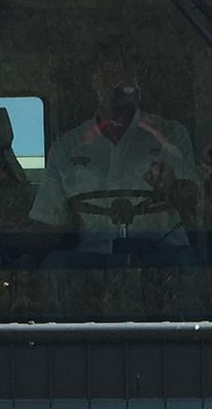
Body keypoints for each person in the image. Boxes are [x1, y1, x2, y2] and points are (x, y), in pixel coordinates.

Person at [31, 45, 199, 254]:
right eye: (108, 74)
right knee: (55, 265)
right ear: (93, 80)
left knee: (188, 263)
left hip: (162, 262)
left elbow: (195, 205)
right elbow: (50, 222)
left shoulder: (171, 136)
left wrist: (172, 187)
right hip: (90, 270)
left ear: (137, 82)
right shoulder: (66, 148)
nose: (116, 84)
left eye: (124, 74)